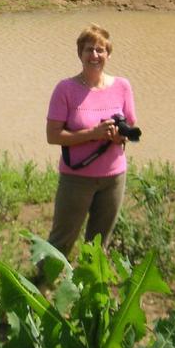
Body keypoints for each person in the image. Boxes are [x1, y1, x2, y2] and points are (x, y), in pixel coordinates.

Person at [44, 24, 138, 260]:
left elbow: (130, 129)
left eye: (100, 50)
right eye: (89, 50)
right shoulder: (65, 89)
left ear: (108, 54)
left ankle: (89, 289)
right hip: (76, 179)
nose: (94, 55)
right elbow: (53, 136)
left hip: (114, 178)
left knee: (98, 245)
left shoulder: (122, 86)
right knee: (61, 240)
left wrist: (119, 135)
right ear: (80, 53)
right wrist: (93, 134)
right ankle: (40, 287)